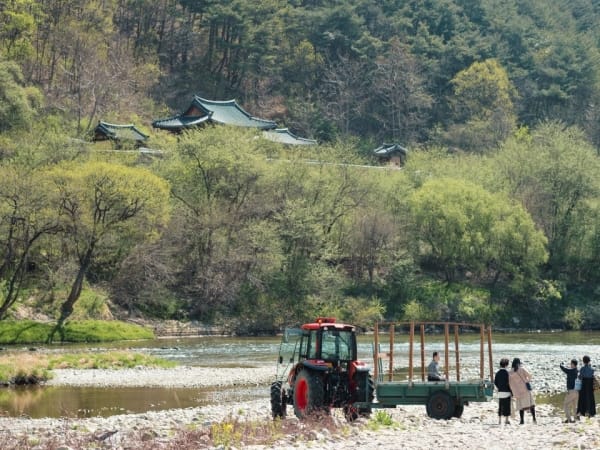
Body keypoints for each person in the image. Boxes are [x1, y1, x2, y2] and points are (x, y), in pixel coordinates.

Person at [508, 357, 536, 424]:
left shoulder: (510, 372)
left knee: (521, 406)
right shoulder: (522, 369)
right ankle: (534, 419)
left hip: (517, 392)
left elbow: (509, 383)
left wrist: (513, 390)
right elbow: (530, 376)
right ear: (519, 363)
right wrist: (526, 381)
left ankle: (522, 420)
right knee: (531, 405)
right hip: (525, 390)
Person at [494, 358, 512, 425]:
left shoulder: (498, 373)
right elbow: (510, 383)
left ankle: (499, 420)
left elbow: (495, 382)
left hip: (500, 392)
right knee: (507, 406)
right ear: (506, 365)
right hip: (507, 392)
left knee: (500, 406)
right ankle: (506, 420)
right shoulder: (507, 373)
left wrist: (499, 388)